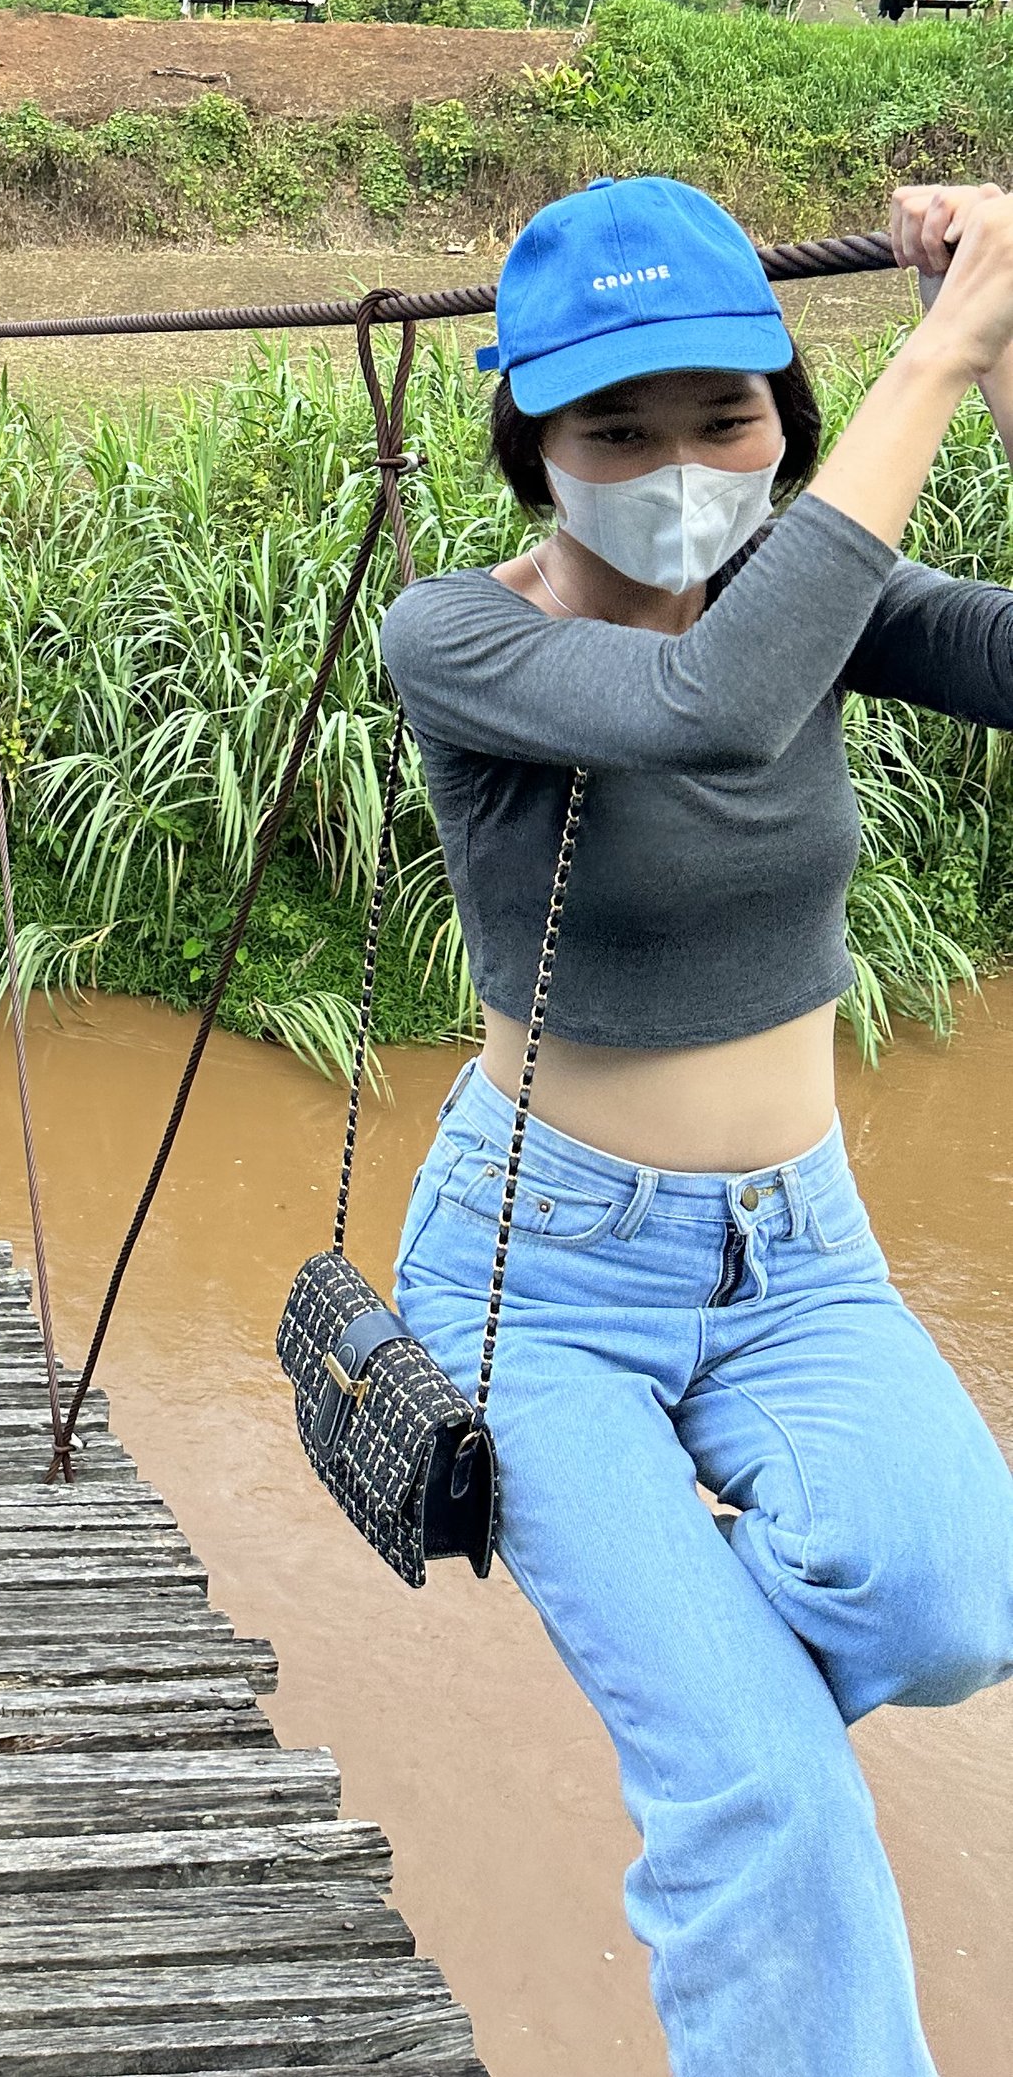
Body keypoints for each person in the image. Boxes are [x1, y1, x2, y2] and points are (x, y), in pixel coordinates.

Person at [379, 171, 1013, 2077]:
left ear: (786, 428)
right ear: (537, 449)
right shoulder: (457, 638)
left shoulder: (812, 593)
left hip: (796, 1251)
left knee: (957, 1602)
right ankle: (731, 1761)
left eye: (725, 416)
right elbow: (715, 710)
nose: (677, 466)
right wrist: (947, 338)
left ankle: (719, 1693)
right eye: (615, 428)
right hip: (542, 1274)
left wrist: (1012, 353)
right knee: (768, 1807)